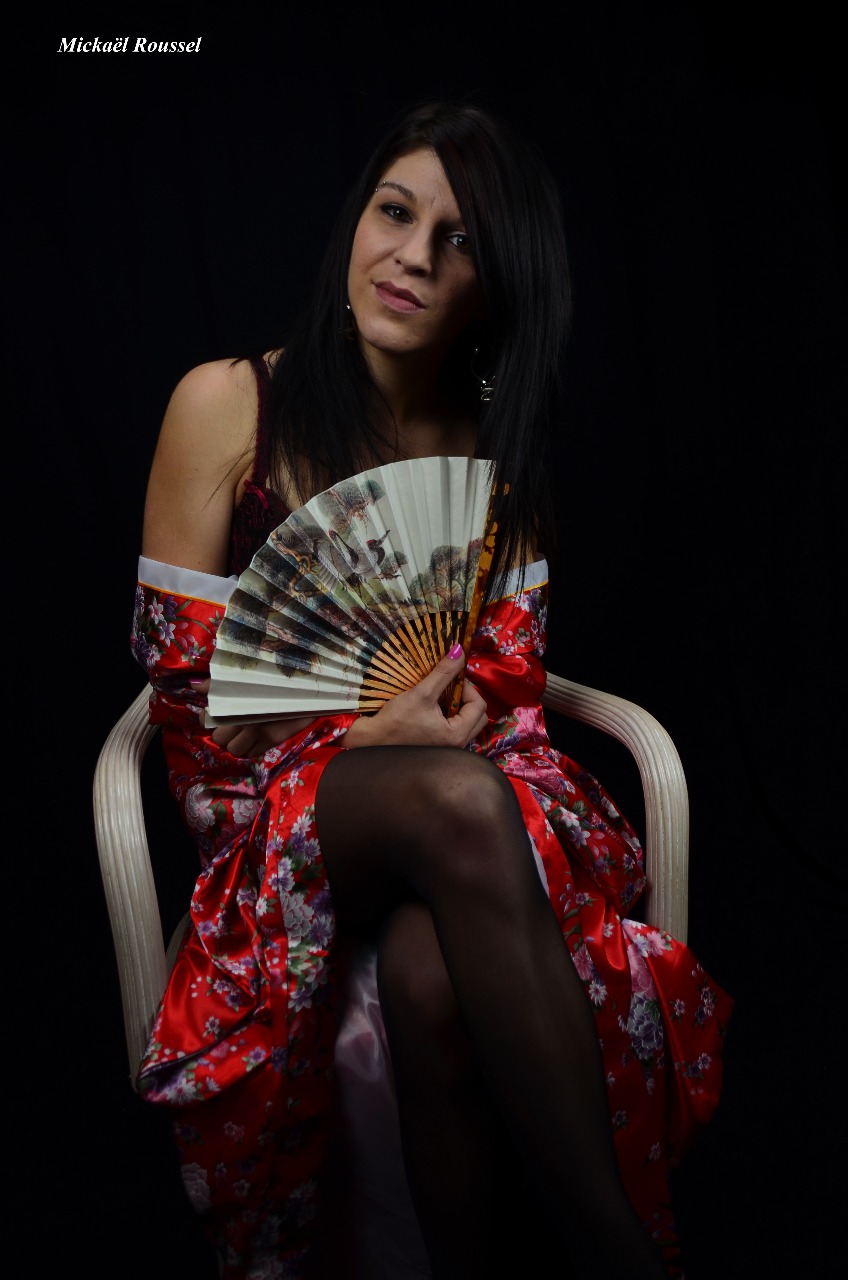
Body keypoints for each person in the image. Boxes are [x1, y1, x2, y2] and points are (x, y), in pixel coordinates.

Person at [131, 100, 731, 1280]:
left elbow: (506, 695)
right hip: (269, 828)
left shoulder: (491, 457)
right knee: (455, 799)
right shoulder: (228, 404)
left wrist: (444, 730)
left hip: (469, 811)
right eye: (393, 212)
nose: (409, 257)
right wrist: (367, 744)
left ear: (493, 287)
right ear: (355, 220)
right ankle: (630, 1259)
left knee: (430, 972)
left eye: (455, 241)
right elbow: (192, 728)